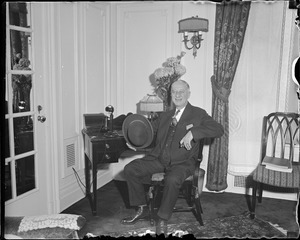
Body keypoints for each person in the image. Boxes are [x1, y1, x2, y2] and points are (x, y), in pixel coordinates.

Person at [121, 80, 224, 235]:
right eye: (174, 92)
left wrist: (194, 132)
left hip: (183, 162)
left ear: (188, 93)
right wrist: (135, 143)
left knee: (172, 179)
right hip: (159, 159)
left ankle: (162, 219)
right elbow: (148, 134)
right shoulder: (165, 115)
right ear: (170, 95)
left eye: (181, 91)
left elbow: (218, 129)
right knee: (130, 169)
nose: (177, 95)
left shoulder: (198, 113)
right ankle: (141, 208)